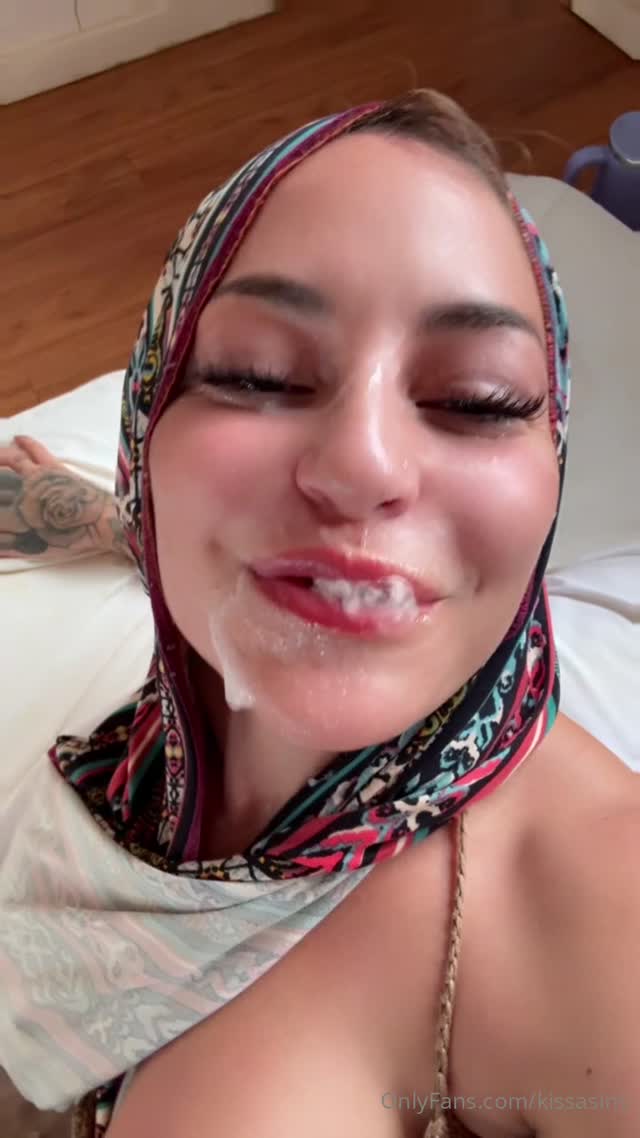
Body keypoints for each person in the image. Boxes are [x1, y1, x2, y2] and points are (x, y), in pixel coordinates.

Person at [1, 90, 638, 1138]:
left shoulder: (600, 911)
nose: (361, 464)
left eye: (476, 400)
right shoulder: (162, 734)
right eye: (256, 376)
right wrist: (72, 512)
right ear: (147, 438)